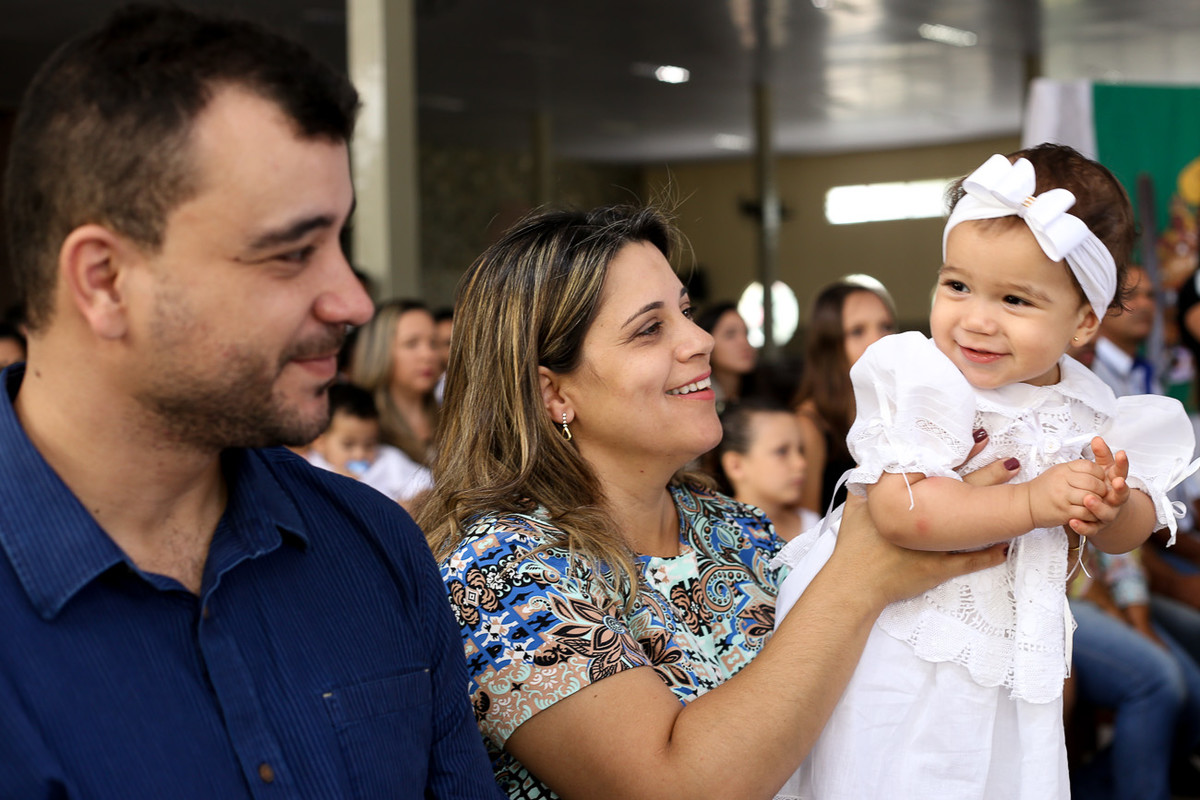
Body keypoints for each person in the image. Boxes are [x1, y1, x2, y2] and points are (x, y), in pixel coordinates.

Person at [0, 6, 500, 797]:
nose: (350, 300)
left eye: (340, 242)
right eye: (291, 253)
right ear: (104, 281)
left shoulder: (371, 549)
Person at [417, 204, 1013, 800]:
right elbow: (672, 788)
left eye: (685, 312)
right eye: (650, 329)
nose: (699, 341)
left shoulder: (733, 527)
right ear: (553, 392)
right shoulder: (498, 568)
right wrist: (857, 581)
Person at [772, 144, 1197, 799]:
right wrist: (1031, 504)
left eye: (1015, 300)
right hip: (900, 640)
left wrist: (1112, 507)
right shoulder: (929, 382)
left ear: (1083, 321)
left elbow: (1123, 532)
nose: (975, 319)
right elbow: (900, 510)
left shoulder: (1088, 407)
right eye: (957, 285)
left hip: (1004, 658)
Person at [791, 275, 896, 514]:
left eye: (886, 326)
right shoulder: (808, 425)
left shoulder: (895, 407)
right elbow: (807, 528)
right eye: (858, 331)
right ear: (830, 346)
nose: (878, 340)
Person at [305, 382, 433, 508]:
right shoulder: (311, 470)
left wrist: (410, 506)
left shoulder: (388, 460)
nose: (360, 455)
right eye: (348, 445)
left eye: (369, 445)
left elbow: (427, 486)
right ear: (319, 442)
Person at [349, 298, 441, 465]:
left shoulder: (454, 417)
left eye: (433, 343)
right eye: (411, 344)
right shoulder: (359, 426)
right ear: (379, 352)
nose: (428, 355)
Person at [712, 399, 818, 541]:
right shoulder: (719, 533)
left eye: (800, 450)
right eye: (782, 451)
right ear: (735, 465)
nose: (800, 463)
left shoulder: (812, 524)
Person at [695, 301, 757, 412]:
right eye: (730, 334)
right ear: (706, 343)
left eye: (746, 333)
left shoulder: (763, 393)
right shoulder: (697, 401)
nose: (744, 342)